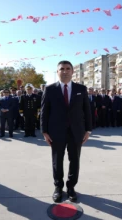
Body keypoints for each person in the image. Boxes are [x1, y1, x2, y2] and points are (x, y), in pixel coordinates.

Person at [41, 60, 92, 202]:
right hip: (56, 132)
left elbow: (87, 110)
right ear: (57, 72)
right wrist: (44, 131)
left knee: (75, 160)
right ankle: (58, 187)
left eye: (68, 68)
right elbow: (45, 112)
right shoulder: (50, 89)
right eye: (61, 69)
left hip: (76, 132)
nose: (65, 71)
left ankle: (71, 187)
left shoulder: (81, 89)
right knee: (57, 160)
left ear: (72, 71)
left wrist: (88, 129)